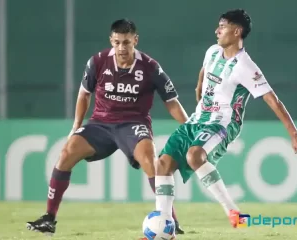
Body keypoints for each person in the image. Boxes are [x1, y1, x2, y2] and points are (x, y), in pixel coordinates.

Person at [153, 8, 297, 231]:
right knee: (162, 164)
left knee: (195, 155)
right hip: (197, 120)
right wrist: (199, 91)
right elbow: (203, 75)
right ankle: (165, 225)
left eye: (222, 26)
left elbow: (272, 100)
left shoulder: (245, 67)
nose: (216, 30)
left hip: (223, 123)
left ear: (237, 31)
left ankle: (233, 212)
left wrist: (293, 132)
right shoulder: (212, 51)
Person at [26, 18, 189, 236]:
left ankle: (170, 220)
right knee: (66, 154)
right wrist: (76, 126)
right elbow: (84, 94)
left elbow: (171, 102)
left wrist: (189, 128)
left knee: (151, 162)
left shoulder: (150, 67)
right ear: (111, 41)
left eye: (127, 42)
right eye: (117, 42)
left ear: (135, 41)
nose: (122, 47)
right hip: (100, 124)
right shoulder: (98, 61)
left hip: (134, 123)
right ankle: (49, 218)